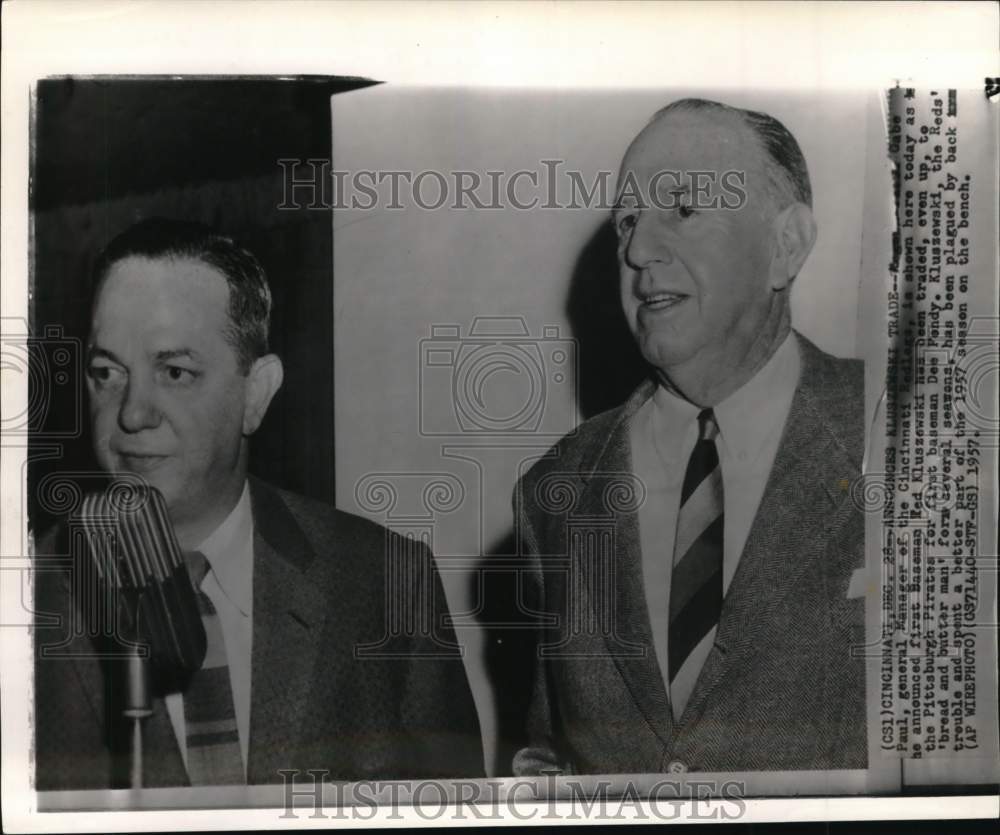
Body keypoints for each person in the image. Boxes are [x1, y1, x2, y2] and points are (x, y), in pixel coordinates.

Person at [34, 218, 483, 789]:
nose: (131, 413)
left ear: (256, 393)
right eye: (107, 372)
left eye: (174, 372)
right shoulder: (24, 600)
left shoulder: (387, 581)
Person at [513, 98, 866, 774]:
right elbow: (552, 754)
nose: (638, 249)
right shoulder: (557, 489)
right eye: (628, 222)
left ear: (784, 247)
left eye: (681, 208)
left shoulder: (909, 437)